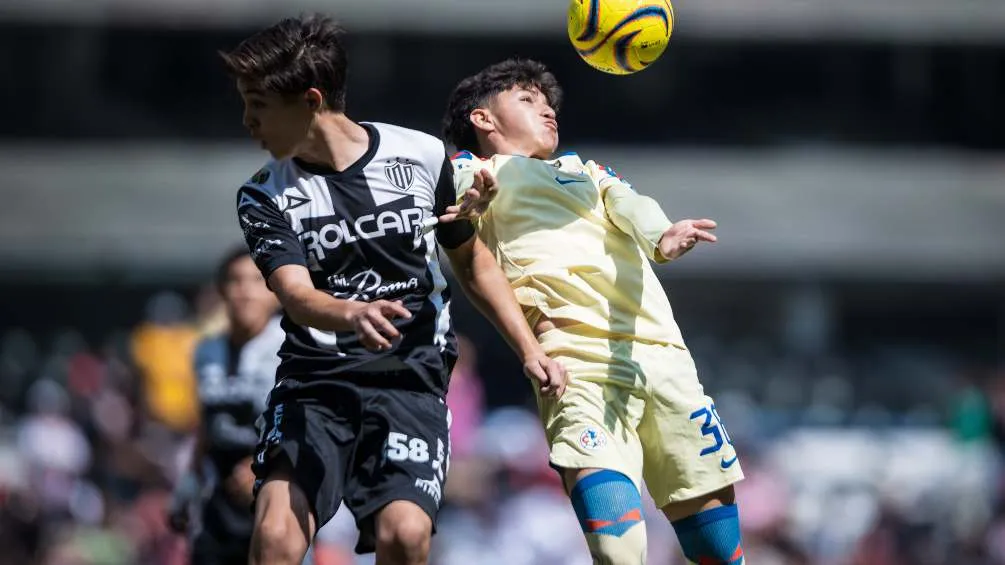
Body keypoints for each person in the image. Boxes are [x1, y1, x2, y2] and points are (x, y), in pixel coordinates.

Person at [221, 16, 567, 565]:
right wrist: (350, 314)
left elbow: (472, 260)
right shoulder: (263, 195)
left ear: (310, 101)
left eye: (257, 106)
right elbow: (294, 294)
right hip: (315, 384)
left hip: (410, 381)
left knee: (405, 536)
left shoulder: (421, 155)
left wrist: (530, 349)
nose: (247, 122)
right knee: (275, 537)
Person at [442, 58, 745, 565]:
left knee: (717, 548)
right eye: (528, 99)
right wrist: (472, 204)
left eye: (549, 102)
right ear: (483, 119)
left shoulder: (585, 170)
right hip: (575, 362)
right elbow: (461, 236)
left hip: (664, 357)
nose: (548, 110)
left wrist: (662, 235)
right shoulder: (468, 172)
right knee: (616, 545)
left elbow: (630, 204)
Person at [168, 248, 284, 565]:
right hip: (218, 505)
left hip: (276, 498)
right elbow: (207, 423)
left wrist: (263, 464)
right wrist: (186, 488)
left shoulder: (292, 347)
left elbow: (308, 421)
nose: (245, 292)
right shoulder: (206, 351)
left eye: (256, 281)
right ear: (221, 290)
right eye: (235, 281)